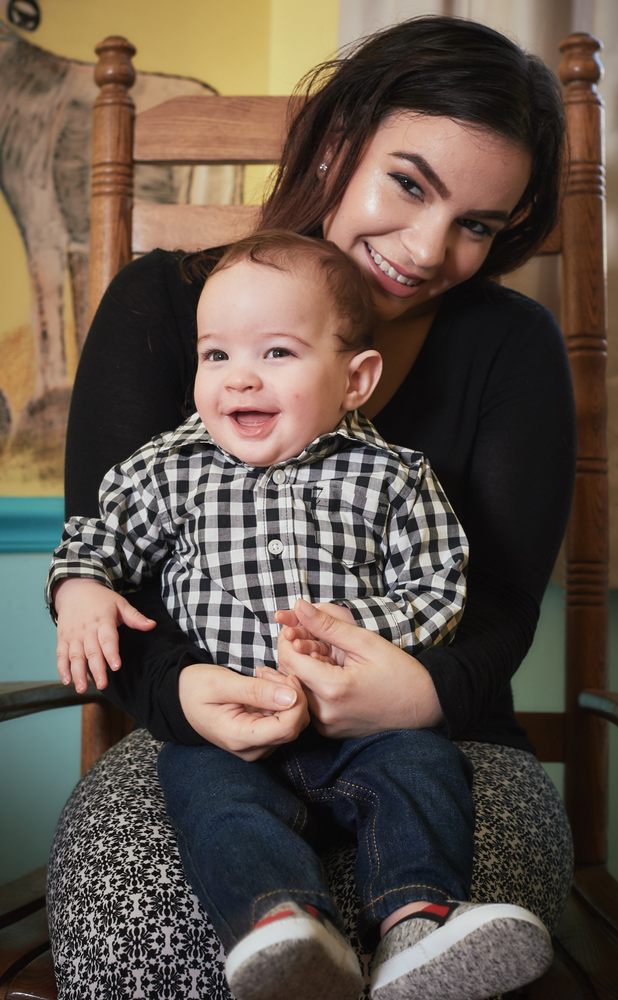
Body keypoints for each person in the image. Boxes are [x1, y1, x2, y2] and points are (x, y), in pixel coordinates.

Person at [47, 14, 576, 1000]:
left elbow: (498, 608)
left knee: (487, 927)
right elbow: (105, 564)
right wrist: (186, 693)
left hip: (440, 733)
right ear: (338, 144)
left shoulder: (511, 344)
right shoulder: (166, 310)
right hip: (201, 730)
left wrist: (417, 691)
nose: (427, 249)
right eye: (409, 183)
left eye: (478, 225)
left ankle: (420, 925)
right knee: (150, 915)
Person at [48, 230, 468, 703]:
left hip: (368, 717)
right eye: (217, 355)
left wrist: (351, 625)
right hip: (221, 722)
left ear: (355, 380)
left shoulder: (396, 479)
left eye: (277, 352)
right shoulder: (171, 471)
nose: (240, 378)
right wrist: (79, 587)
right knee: (204, 778)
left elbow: (437, 591)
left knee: (423, 769)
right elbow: (103, 539)